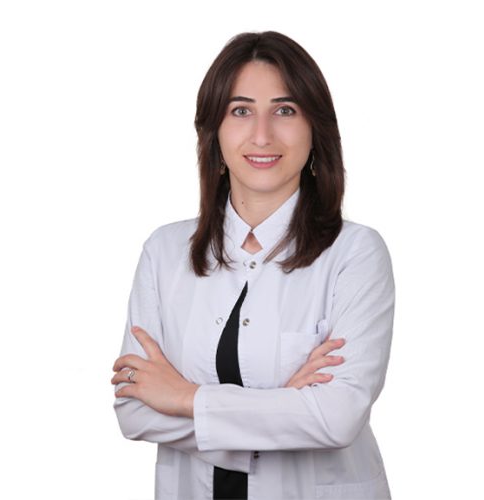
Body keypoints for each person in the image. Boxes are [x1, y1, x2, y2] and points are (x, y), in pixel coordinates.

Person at [111, 31, 395, 500]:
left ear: (315, 129)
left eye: (285, 111)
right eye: (240, 111)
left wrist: (183, 397)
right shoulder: (164, 252)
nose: (262, 135)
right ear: (214, 132)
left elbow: (337, 417)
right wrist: (286, 408)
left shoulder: (356, 253)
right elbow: (134, 410)